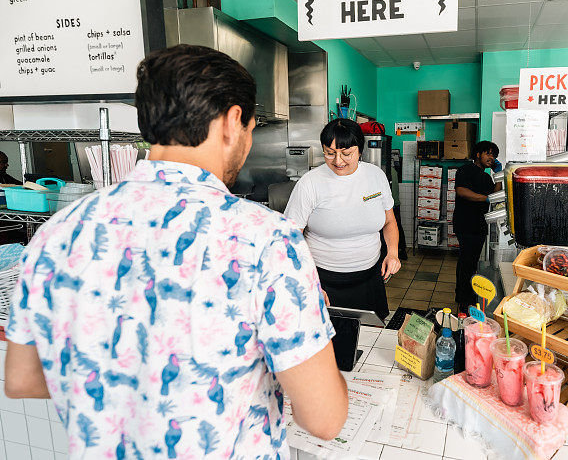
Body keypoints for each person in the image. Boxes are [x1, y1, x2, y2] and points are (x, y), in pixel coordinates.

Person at [3, 44, 347, 458]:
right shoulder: (265, 240)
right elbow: (324, 419)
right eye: (252, 130)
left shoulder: (56, 233)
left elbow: (22, 378)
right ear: (232, 121)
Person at [285, 118, 401, 320]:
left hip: (370, 277)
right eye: (329, 153)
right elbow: (289, 235)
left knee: (370, 334)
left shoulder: (376, 176)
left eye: (346, 154)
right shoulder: (310, 183)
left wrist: (392, 253)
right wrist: (307, 281)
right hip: (323, 281)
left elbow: (389, 221)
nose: (338, 161)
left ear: (360, 151)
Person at [453, 141, 501, 313]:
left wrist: (499, 175)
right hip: (465, 222)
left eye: (494, 155)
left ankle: (467, 297)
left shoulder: (487, 177)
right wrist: (484, 198)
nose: (491, 157)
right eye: (488, 153)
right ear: (478, 154)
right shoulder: (465, 169)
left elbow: (495, 195)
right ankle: (463, 302)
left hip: (479, 224)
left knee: (471, 262)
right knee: (467, 262)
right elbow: (461, 191)